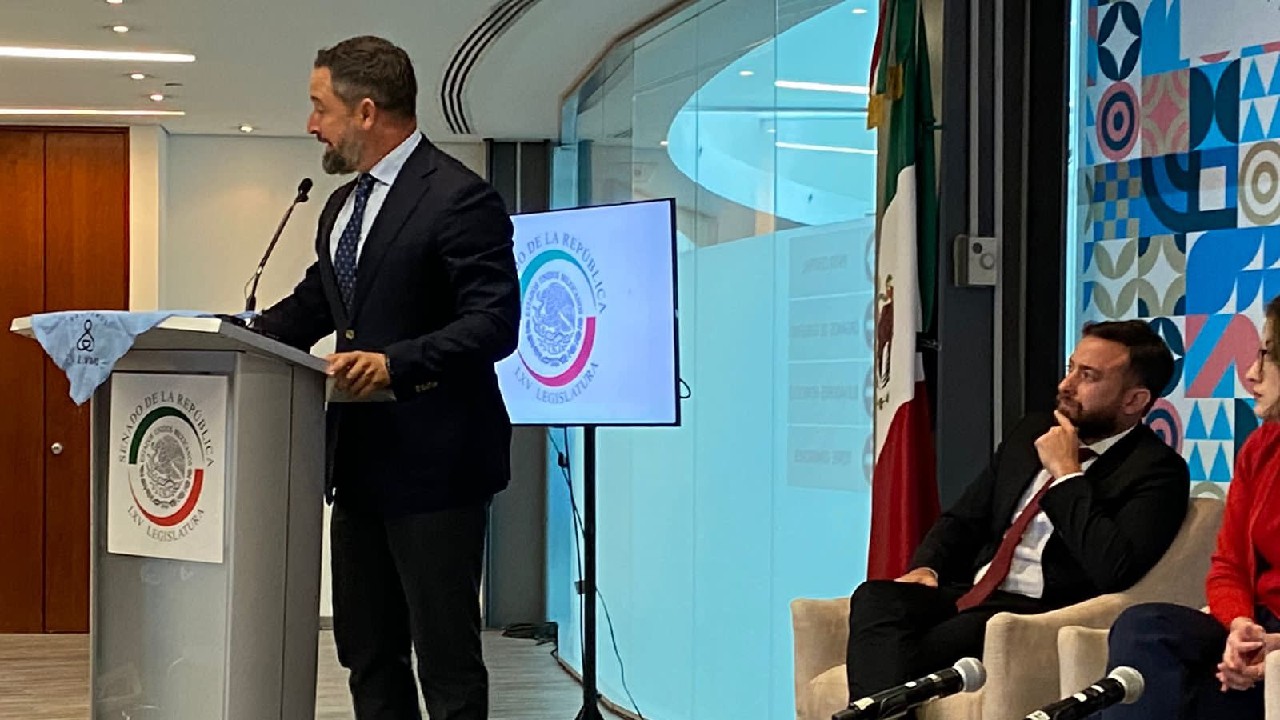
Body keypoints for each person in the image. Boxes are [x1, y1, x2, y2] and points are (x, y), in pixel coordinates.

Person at [253, 35, 520, 720]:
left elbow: (494, 323)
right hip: (358, 467)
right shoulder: (341, 205)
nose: (312, 124)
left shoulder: (459, 198)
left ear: (366, 111)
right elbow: (315, 304)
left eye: (321, 107)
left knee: (446, 664)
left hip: (439, 470)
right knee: (367, 655)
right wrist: (227, 334)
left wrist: (396, 363)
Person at [845, 320, 1191, 708]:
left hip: (1033, 611)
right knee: (875, 599)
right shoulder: (1032, 431)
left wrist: (1067, 476)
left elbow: (1114, 567)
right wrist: (928, 567)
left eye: (1088, 376)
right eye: (1071, 368)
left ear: (1133, 401)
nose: (1066, 385)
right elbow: (965, 517)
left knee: (899, 654)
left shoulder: (1157, 471)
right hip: (973, 591)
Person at [1098, 297, 1280, 720]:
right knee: (1144, 627)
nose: (1251, 373)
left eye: (1267, 355)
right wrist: (1240, 627)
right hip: (1256, 627)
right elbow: (1228, 567)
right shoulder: (1261, 447)